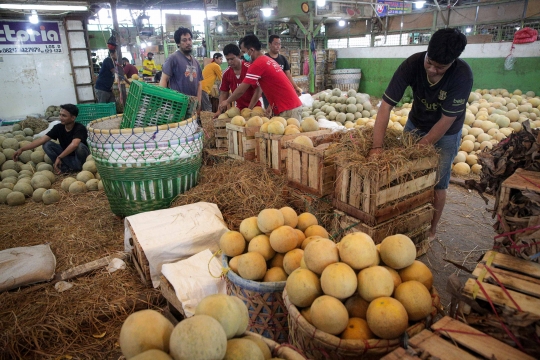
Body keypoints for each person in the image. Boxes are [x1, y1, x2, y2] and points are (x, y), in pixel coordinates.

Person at [368, 28, 473, 241]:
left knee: (438, 183)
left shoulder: (462, 75)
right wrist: (376, 147)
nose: (433, 70)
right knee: (406, 176)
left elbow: (446, 121)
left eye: (440, 67)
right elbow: (386, 106)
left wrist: (418, 149)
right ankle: (406, 222)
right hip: (416, 123)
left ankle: (431, 230)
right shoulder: (412, 63)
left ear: (453, 61)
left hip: (446, 132)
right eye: (430, 62)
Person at [219, 35, 302, 120]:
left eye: (244, 52)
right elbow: (276, 85)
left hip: (288, 108)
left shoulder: (257, 64)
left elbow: (242, 89)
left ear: (251, 50)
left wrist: (227, 101)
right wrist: (271, 104)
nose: (243, 55)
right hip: (288, 106)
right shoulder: (267, 60)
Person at [13, 104, 90, 174]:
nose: (60, 118)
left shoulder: (80, 128)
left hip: (79, 158)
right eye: (60, 115)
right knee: (47, 144)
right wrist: (22, 149)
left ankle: (81, 167)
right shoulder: (58, 127)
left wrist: (59, 157)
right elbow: (41, 140)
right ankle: (64, 168)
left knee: (79, 146)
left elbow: (74, 144)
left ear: (73, 118)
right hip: (67, 157)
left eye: (64, 116)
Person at [160, 27, 203, 112]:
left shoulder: (196, 62)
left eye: (190, 39)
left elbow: (199, 84)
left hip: (191, 106)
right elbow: (164, 80)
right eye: (184, 40)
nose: (188, 43)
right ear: (178, 43)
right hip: (177, 106)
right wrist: (163, 101)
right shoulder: (173, 58)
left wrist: (198, 102)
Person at [215, 44, 262, 117]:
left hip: (255, 107)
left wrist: (249, 109)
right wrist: (219, 110)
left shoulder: (250, 69)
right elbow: (224, 93)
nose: (230, 62)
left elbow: (258, 90)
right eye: (227, 59)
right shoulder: (226, 74)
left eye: (232, 59)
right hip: (239, 108)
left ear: (239, 56)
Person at [264, 34, 303, 103]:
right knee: (269, 112)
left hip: (281, 91)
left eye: (279, 44)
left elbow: (288, 75)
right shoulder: (264, 59)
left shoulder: (283, 59)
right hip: (268, 93)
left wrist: (295, 87)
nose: (278, 46)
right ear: (270, 44)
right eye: (276, 44)